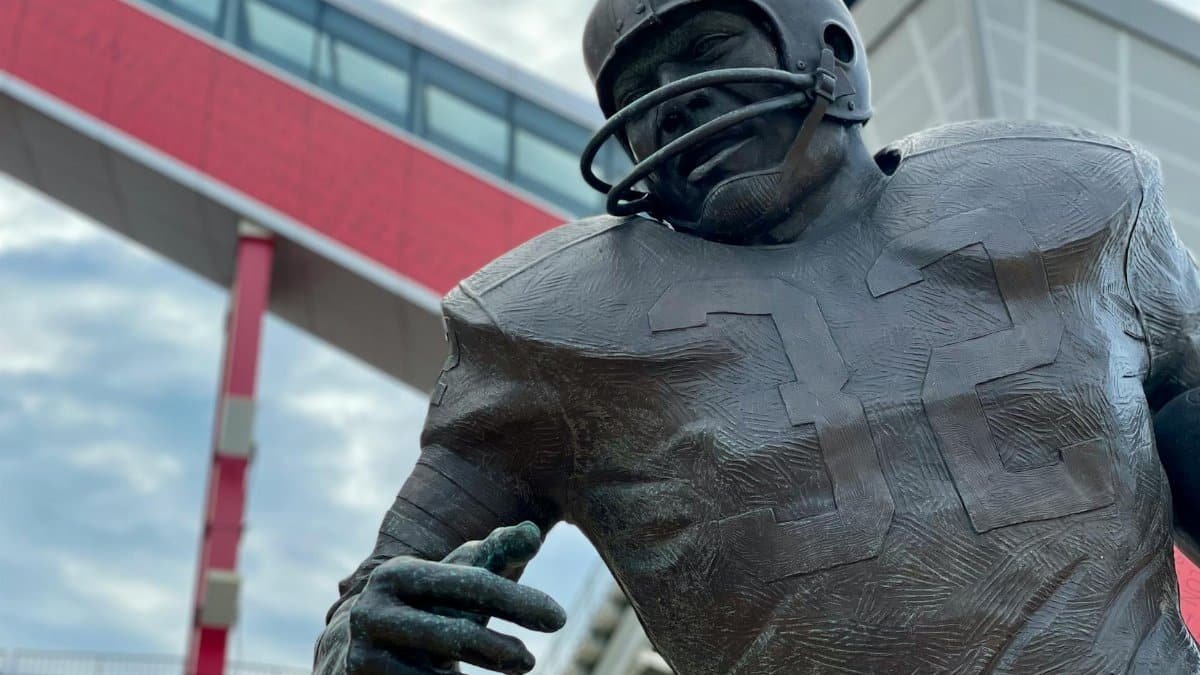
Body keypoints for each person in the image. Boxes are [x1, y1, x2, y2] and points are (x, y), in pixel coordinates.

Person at [316, 0, 1200, 673]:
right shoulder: (548, 335)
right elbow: (370, 604)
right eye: (635, 95)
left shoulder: (1078, 203)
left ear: (833, 51)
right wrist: (371, 638)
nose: (667, 108)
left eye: (703, 51)